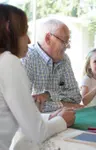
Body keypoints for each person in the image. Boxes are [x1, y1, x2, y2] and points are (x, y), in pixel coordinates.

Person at [0, 4, 76, 150]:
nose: (29, 40)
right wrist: (62, 120)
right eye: (24, 32)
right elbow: (37, 132)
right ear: (9, 30)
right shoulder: (8, 62)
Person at [21, 19, 83, 111]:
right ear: (48, 38)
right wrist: (62, 104)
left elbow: (76, 97)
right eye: (64, 41)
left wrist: (48, 95)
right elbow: (24, 104)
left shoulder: (64, 59)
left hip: (60, 121)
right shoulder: (26, 57)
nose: (68, 46)